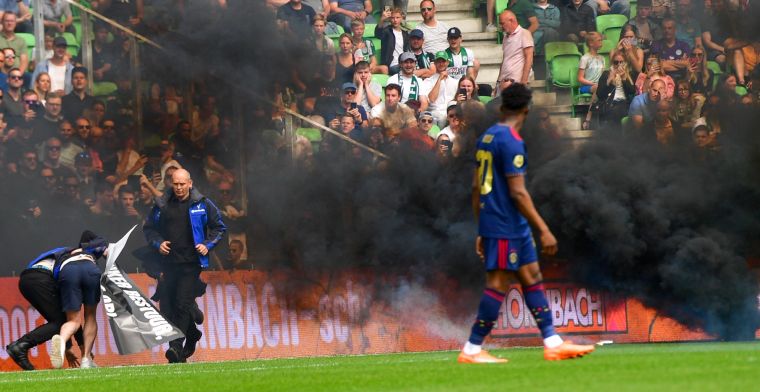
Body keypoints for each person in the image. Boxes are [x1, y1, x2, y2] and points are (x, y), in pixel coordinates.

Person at [458, 83, 595, 363]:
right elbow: (518, 192)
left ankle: (552, 342)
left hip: (504, 223)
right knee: (497, 284)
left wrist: (480, 227)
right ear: (526, 111)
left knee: (532, 277)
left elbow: (475, 188)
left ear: (501, 107)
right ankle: (472, 349)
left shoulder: (486, 137)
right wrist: (544, 230)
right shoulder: (510, 140)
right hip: (505, 222)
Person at [143, 168, 226, 363]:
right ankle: (192, 333)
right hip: (168, 263)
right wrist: (158, 243)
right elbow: (149, 229)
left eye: (183, 184)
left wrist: (208, 245)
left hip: (191, 263)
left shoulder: (203, 204)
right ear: (171, 184)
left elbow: (219, 227)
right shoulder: (161, 204)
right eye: (176, 184)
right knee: (168, 307)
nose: (179, 187)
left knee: (181, 303)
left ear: (190, 183)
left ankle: (175, 347)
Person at [5, 241, 87, 371]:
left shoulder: (65, 253)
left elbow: (65, 317)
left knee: (59, 320)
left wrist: (66, 347)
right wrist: (85, 353)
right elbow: (73, 319)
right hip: (41, 279)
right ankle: (20, 346)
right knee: (64, 321)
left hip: (27, 280)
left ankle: (20, 347)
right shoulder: (75, 264)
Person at [49, 231, 109, 369]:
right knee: (90, 316)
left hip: (68, 270)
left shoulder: (66, 252)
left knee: (73, 321)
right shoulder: (95, 246)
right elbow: (107, 252)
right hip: (89, 268)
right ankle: (86, 359)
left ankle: (62, 341)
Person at [593, 51, 637, 129]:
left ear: (625, 63)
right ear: (612, 63)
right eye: (616, 62)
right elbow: (599, 94)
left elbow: (632, 91)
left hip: (624, 104)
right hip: (609, 103)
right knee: (612, 110)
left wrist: (623, 79)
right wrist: (609, 81)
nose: (619, 65)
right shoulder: (606, 74)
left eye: (621, 62)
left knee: (618, 110)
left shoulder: (629, 75)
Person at [497, 10, 534, 91]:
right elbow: (504, 59)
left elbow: (529, 58)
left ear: (511, 20)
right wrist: (498, 81)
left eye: (502, 23)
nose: (501, 26)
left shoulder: (524, 33)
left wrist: (523, 82)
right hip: (504, 81)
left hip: (517, 81)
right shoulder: (505, 37)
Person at [375, 7, 409, 75]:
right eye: (393, 18)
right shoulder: (387, 31)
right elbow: (378, 34)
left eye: (397, 17)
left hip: (404, 63)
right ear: (390, 19)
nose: (395, 20)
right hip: (392, 64)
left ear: (401, 18)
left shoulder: (405, 34)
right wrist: (382, 19)